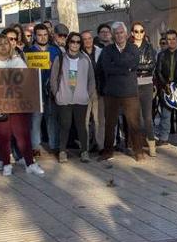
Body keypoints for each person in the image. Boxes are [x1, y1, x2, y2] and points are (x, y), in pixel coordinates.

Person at [0, 32, 44, 176]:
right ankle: (6, 165)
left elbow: (27, 81)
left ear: (10, 46)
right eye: (0, 44)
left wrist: (35, 99)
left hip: (17, 107)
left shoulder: (18, 62)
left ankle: (30, 164)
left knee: (23, 135)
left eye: (6, 43)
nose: (3, 46)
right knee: (3, 137)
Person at [96, 22, 146, 161]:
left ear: (126, 33)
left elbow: (134, 64)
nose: (119, 35)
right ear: (113, 35)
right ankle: (108, 152)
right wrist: (125, 68)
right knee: (109, 124)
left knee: (134, 124)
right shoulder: (107, 50)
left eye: (121, 32)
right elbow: (106, 68)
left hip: (130, 92)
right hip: (111, 92)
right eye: (116, 33)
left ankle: (138, 151)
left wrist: (116, 65)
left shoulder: (133, 48)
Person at [51, 31, 95, 162]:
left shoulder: (85, 59)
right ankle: (62, 151)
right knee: (65, 125)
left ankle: (84, 151)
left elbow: (91, 79)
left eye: (78, 42)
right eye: (72, 41)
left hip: (81, 99)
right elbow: (53, 79)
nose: (75, 44)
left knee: (81, 126)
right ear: (68, 43)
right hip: (64, 98)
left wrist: (88, 94)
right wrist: (57, 94)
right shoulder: (60, 58)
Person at [27, 23, 62, 156]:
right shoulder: (29, 51)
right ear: (35, 36)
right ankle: (35, 146)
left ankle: (54, 145)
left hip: (51, 89)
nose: (43, 37)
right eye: (40, 35)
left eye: (45, 35)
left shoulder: (55, 50)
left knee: (52, 117)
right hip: (35, 90)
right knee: (35, 118)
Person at [128, 22, 158, 156]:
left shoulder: (149, 47)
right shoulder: (128, 47)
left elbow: (151, 66)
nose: (139, 34)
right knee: (135, 117)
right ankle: (137, 145)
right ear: (132, 33)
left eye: (141, 31)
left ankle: (152, 145)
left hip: (146, 84)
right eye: (136, 31)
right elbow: (126, 65)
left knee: (147, 117)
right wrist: (139, 66)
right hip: (132, 84)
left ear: (144, 33)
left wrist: (135, 67)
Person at [154, 30, 177, 145]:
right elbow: (158, 71)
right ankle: (164, 138)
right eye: (169, 39)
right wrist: (165, 84)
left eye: (173, 39)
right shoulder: (161, 55)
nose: (171, 41)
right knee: (166, 115)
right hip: (166, 87)